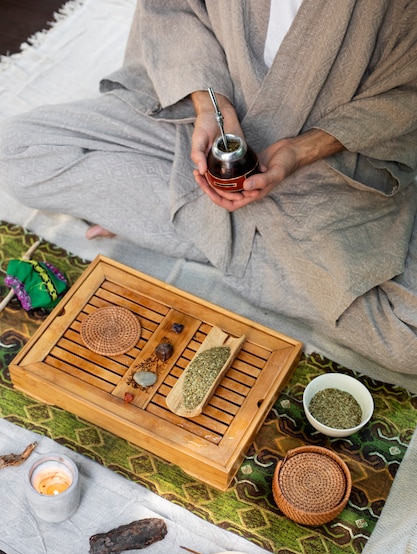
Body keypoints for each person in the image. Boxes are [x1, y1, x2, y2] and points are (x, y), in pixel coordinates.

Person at [1, 0, 417, 375]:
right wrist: (211, 105)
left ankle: (198, 222)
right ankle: (247, 240)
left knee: (407, 340)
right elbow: (170, 10)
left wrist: (301, 151)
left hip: (326, 163)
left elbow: (406, 94)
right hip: (202, 121)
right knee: (22, 150)